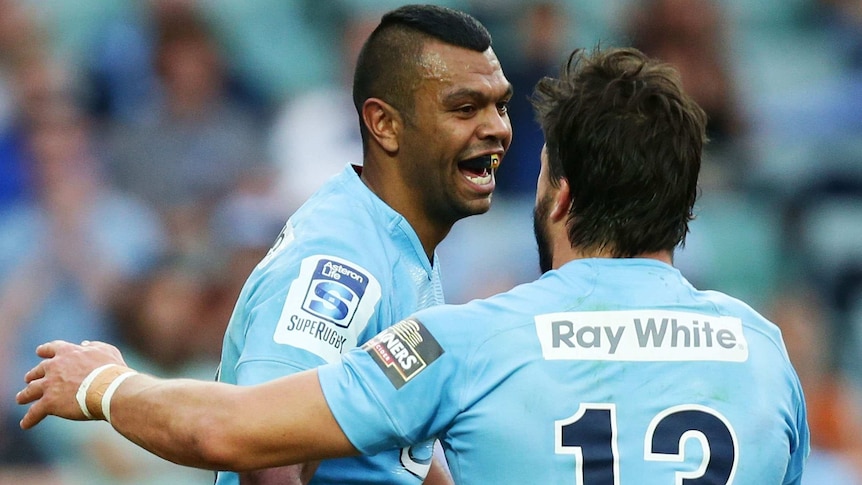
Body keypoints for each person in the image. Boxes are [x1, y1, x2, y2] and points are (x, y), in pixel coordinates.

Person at [17, 46, 809, 484]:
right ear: (683, 206)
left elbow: (230, 429)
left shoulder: (460, 341)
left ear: (559, 195)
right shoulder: (766, 353)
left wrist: (101, 382)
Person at [117, 4, 511, 485]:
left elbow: (394, 442)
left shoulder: (400, 243)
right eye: (466, 108)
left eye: (501, 105)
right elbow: (266, 453)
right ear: (384, 124)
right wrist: (105, 389)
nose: (497, 128)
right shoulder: (340, 261)